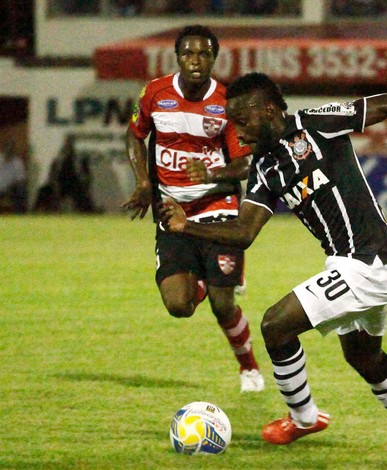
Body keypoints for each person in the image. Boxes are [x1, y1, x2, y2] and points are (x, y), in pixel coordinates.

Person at [159, 72, 387, 449]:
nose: (239, 133)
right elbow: (244, 233)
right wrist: (187, 227)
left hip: (369, 263)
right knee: (363, 356)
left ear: (268, 110)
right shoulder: (266, 169)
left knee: (274, 324)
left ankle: (303, 418)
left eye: (243, 122)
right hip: (349, 265)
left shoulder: (316, 123)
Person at [121, 25, 265, 392]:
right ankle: (213, 276)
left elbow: (245, 163)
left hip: (218, 210)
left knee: (222, 305)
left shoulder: (228, 102)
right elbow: (134, 135)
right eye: (188, 54)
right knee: (178, 306)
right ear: (178, 57)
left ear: (214, 58)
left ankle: (248, 366)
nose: (196, 61)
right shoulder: (155, 92)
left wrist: (213, 170)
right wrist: (142, 182)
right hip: (172, 212)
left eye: (204, 54)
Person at [0, 142, 28, 213]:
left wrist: (11, 186)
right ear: (3, 150)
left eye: (11, 150)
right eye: (7, 150)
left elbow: (21, 180)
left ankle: (18, 215)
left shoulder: (18, 163)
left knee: (21, 190)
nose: (9, 151)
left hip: (9, 189)